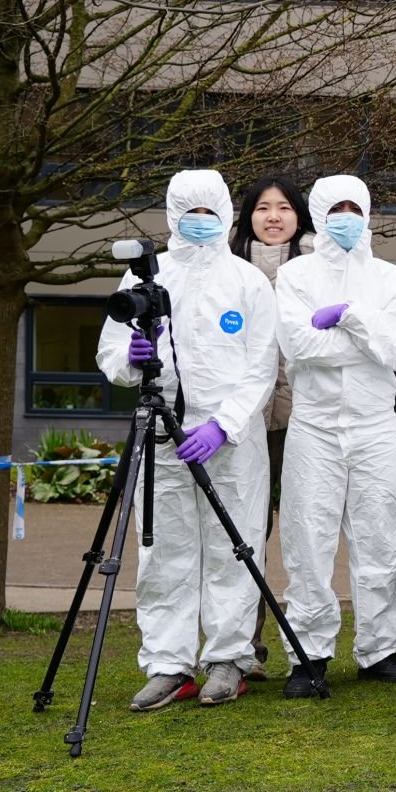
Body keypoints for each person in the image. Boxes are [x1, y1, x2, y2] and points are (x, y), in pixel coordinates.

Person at [96, 170, 279, 711]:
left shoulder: (247, 282)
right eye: (189, 212)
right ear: (172, 215)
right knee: (163, 551)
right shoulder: (143, 281)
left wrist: (224, 423)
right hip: (160, 435)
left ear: (226, 213)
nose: (200, 223)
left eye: (209, 212)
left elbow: (261, 363)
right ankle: (168, 663)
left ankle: (227, 658)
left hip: (230, 439)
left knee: (234, 546)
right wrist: (130, 363)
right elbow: (111, 355)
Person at [272, 175, 396, 695]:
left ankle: (379, 648)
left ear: (367, 213)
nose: (345, 217)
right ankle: (308, 654)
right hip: (313, 426)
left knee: (380, 537)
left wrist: (351, 317)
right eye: (334, 208)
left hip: (375, 424)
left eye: (353, 207)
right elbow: (298, 345)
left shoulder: (391, 280)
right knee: (307, 541)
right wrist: (370, 340)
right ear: (318, 213)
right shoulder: (294, 275)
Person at [229, 175, 315, 676]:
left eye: (284, 207)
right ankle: (245, 645)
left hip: (302, 419)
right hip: (242, 422)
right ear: (247, 216)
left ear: (299, 215)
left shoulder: (317, 268)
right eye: (263, 207)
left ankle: (307, 648)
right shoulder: (228, 269)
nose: (274, 216)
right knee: (244, 533)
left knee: (306, 531)